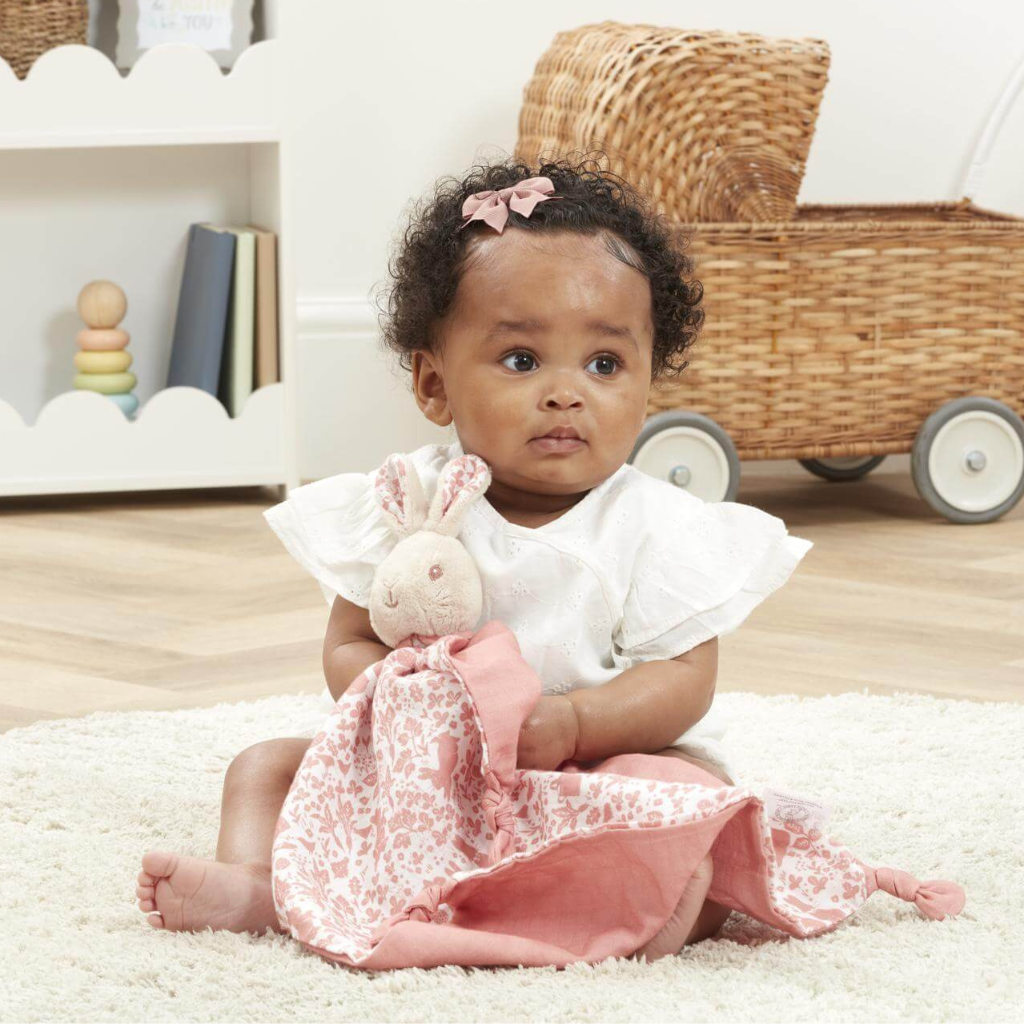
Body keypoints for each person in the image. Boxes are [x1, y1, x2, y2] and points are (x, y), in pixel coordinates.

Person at [135, 153, 813, 962]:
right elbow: (350, 640)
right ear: (434, 385)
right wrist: (412, 713)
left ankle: (630, 905)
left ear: (647, 383)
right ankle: (260, 885)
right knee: (264, 769)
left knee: (683, 800)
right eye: (522, 360)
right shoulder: (409, 504)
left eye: (604, 364)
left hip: (595, 770)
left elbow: (684, 677)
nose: (566, 392)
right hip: (433, 781)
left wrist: (577, 724)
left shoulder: (657, 526)